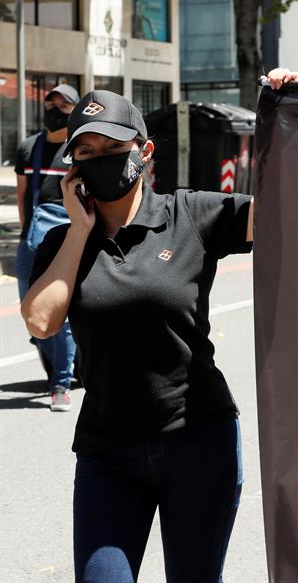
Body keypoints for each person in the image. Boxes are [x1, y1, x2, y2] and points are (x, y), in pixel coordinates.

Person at [20, 89, 253, 582]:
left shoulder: (188, 214)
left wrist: (283, 115)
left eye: (112, 147)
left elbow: (286, 212)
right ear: (73, 168)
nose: (100, 159)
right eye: (87, 151)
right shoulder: (63, 241)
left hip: (199, 443)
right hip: (109, 454)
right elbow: (40, 321)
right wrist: (79, 231)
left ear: (144, 151)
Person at [14, 83, 79, 411]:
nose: (54, 111)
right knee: (32, 312)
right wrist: (27, 232)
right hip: (32, 241)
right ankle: (58, 367)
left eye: (63, 106)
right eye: (50, 104)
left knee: (62, 317)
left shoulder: (79, 149)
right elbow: (22, 194)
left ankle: (60, 384)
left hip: (69, 240)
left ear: (74, 111)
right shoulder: (29, 149)